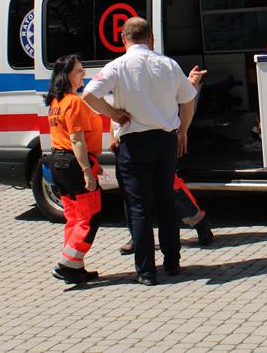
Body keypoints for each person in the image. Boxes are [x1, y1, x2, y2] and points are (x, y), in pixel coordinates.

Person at [82, 17, 198, 286]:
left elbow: (89, 94)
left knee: (139, 207)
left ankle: (146, 271)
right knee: (166, 202)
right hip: (165, 141)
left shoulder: (118, 65)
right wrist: (183, 131)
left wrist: (114, 113)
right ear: (150, 38)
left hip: (134, 145)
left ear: (123, 39)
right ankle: (173, 262)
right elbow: (188, 99)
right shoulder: (168, 64)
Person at [113, 65, 213, 255]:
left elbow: (180, 97)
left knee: (173, 189)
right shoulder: (123, 75)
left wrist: (191, 83)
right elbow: (116, 111)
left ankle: (199, 222)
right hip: (130, 143)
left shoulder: (158, 72)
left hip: (160, 140)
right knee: (133, 195)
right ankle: (136, 236)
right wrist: (115, 136)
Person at [45, 54, 124, 285]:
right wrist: (87, 171)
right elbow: (76, 140)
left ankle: (75, 267)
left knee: (73, 217)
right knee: (90, 217)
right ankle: (66, 264)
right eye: (79, 71)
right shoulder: (74, 102)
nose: (83, 74)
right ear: (67, 76)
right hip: (73, 164)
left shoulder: (56, 102)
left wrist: (91, 165)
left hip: (59, 162)